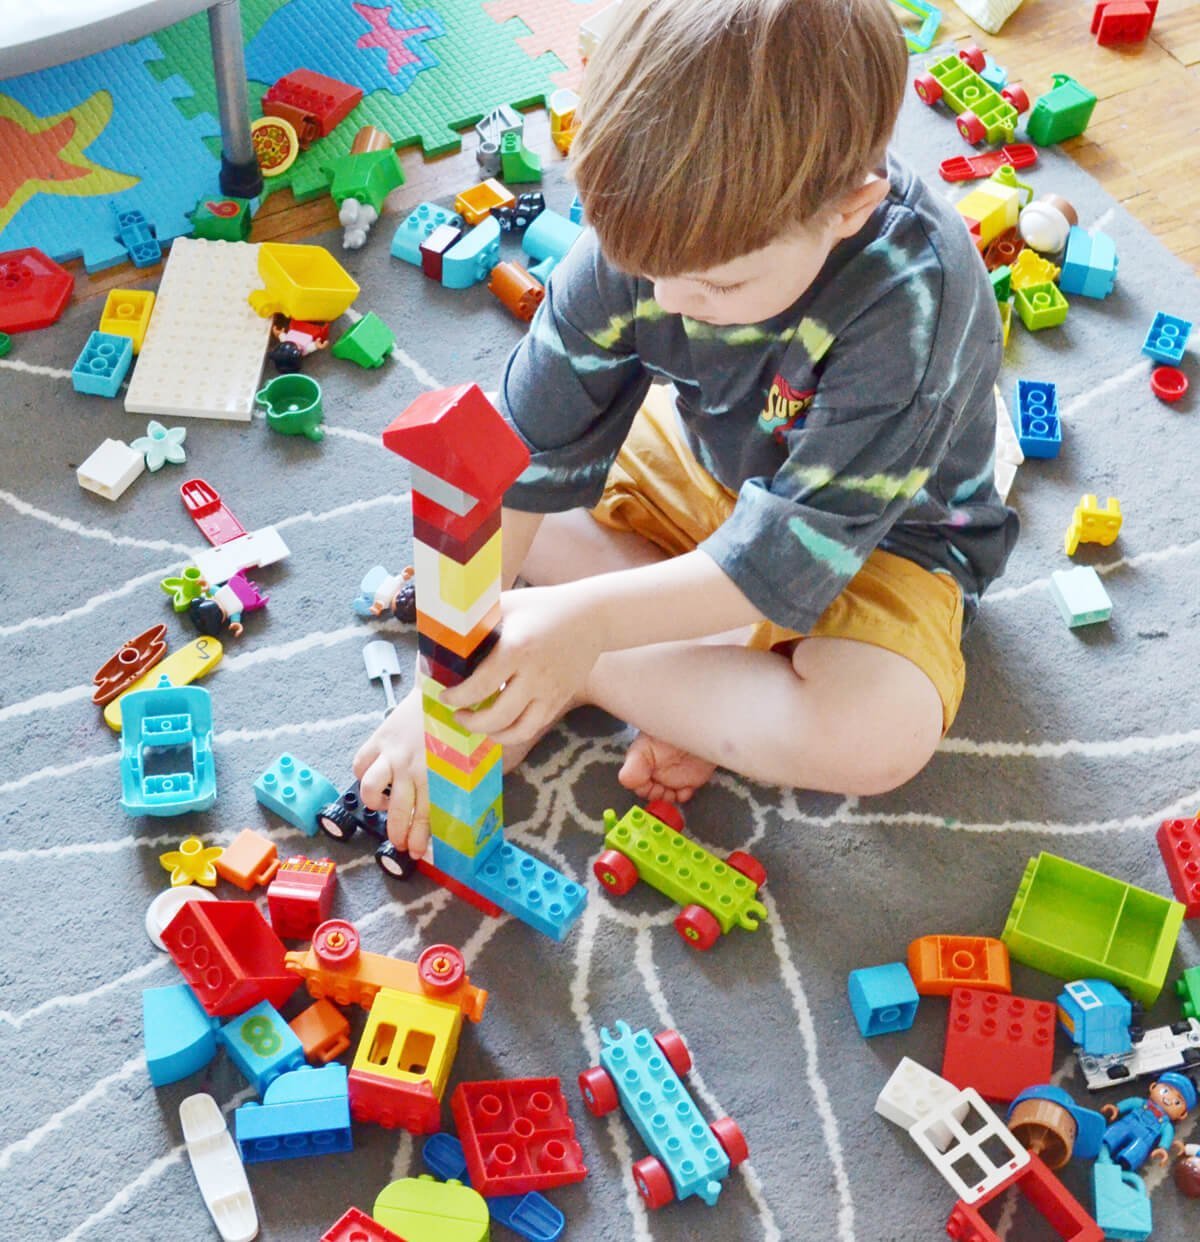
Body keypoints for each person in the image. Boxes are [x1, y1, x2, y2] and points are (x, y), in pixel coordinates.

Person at [354, 0, 1018, 859]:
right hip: (705, 467)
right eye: (645, 270)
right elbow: (522, 459)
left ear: (849, 211)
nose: (667, 300)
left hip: (886, 540)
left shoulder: (912, 305)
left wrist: (575, 638)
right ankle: (627, 660)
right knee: (472, 513)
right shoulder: (654, 235)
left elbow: (784, 558)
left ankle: (581, 662)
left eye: (715, 287)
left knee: (877, 733)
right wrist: (442, 687)